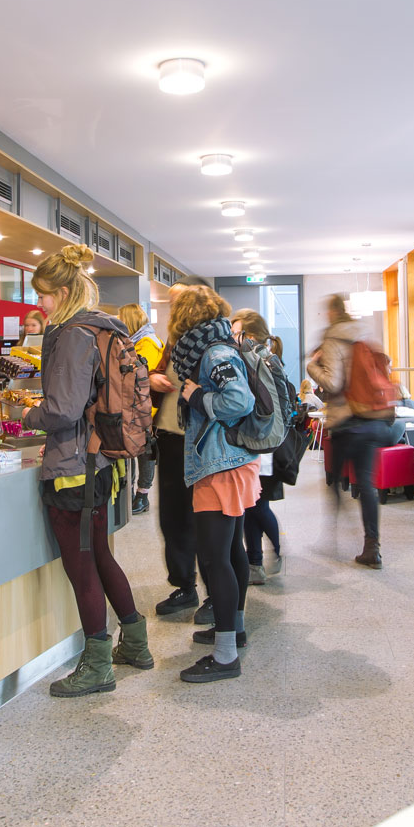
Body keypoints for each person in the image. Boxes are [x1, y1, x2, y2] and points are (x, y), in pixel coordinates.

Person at [19, 245, 154, 697]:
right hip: (100, 464)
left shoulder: (73, 336)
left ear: (63, 290)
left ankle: (98, 665)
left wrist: (25, 417)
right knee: (99, 555)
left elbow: (63, 409)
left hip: (74, 467)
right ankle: (134, 642)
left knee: (82, 568)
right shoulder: (100, 329)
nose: (39, 303)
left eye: (44, 295)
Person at [168, 284, 256, 682]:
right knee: (229, 552)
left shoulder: (213, 352)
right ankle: (232, 631)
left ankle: (224, 657)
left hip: (220, 465)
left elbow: (239, 402)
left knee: (214, 559)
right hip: (230, 462)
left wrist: (199, 396)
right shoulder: (217, 345)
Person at [306, 295, 398, 568]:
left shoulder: (333, 340)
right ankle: (372, 546)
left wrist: (313, 366)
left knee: (333, 481)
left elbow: (333, 383)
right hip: (374, 419)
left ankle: (331, 539)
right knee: (366, 484)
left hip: (348, 422)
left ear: (333, 312)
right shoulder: (365, 334)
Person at [150, 280, 203, 616]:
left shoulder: (208, 343)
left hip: (198, 441)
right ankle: (184, 585)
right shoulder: (172, 340)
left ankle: (215, 593)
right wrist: (155, 379)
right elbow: (158, 372)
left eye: (178, 303)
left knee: (205, 520)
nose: (173, 310)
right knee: (172, 518)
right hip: (169, 437)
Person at [231, 308, 285, 582]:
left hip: (262, 446)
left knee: (257, 506)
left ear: (248, 335)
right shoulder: (269, 357)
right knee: (253, 506)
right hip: (264, 445)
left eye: (236, 331)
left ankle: (272, 552)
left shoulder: (258, 360)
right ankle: (256, 562)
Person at [116, 303, 160, 515]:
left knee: (143, 451)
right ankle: (134, 493)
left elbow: (138, 373)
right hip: (140, 406)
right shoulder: (141, 340)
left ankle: (141, 495)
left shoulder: (146, 343)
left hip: (143, 408)